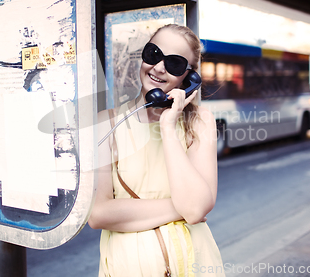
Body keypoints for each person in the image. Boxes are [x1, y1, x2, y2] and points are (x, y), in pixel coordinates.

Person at [88, 24, 225, 277]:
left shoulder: (199, 122)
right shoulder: (106, 123)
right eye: (153, 54)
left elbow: (196, 210)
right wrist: (182, 208)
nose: (159, 67)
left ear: (189, 76)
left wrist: (168, 126)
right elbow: (98, 214)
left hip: (195, 263)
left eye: (173, 63)